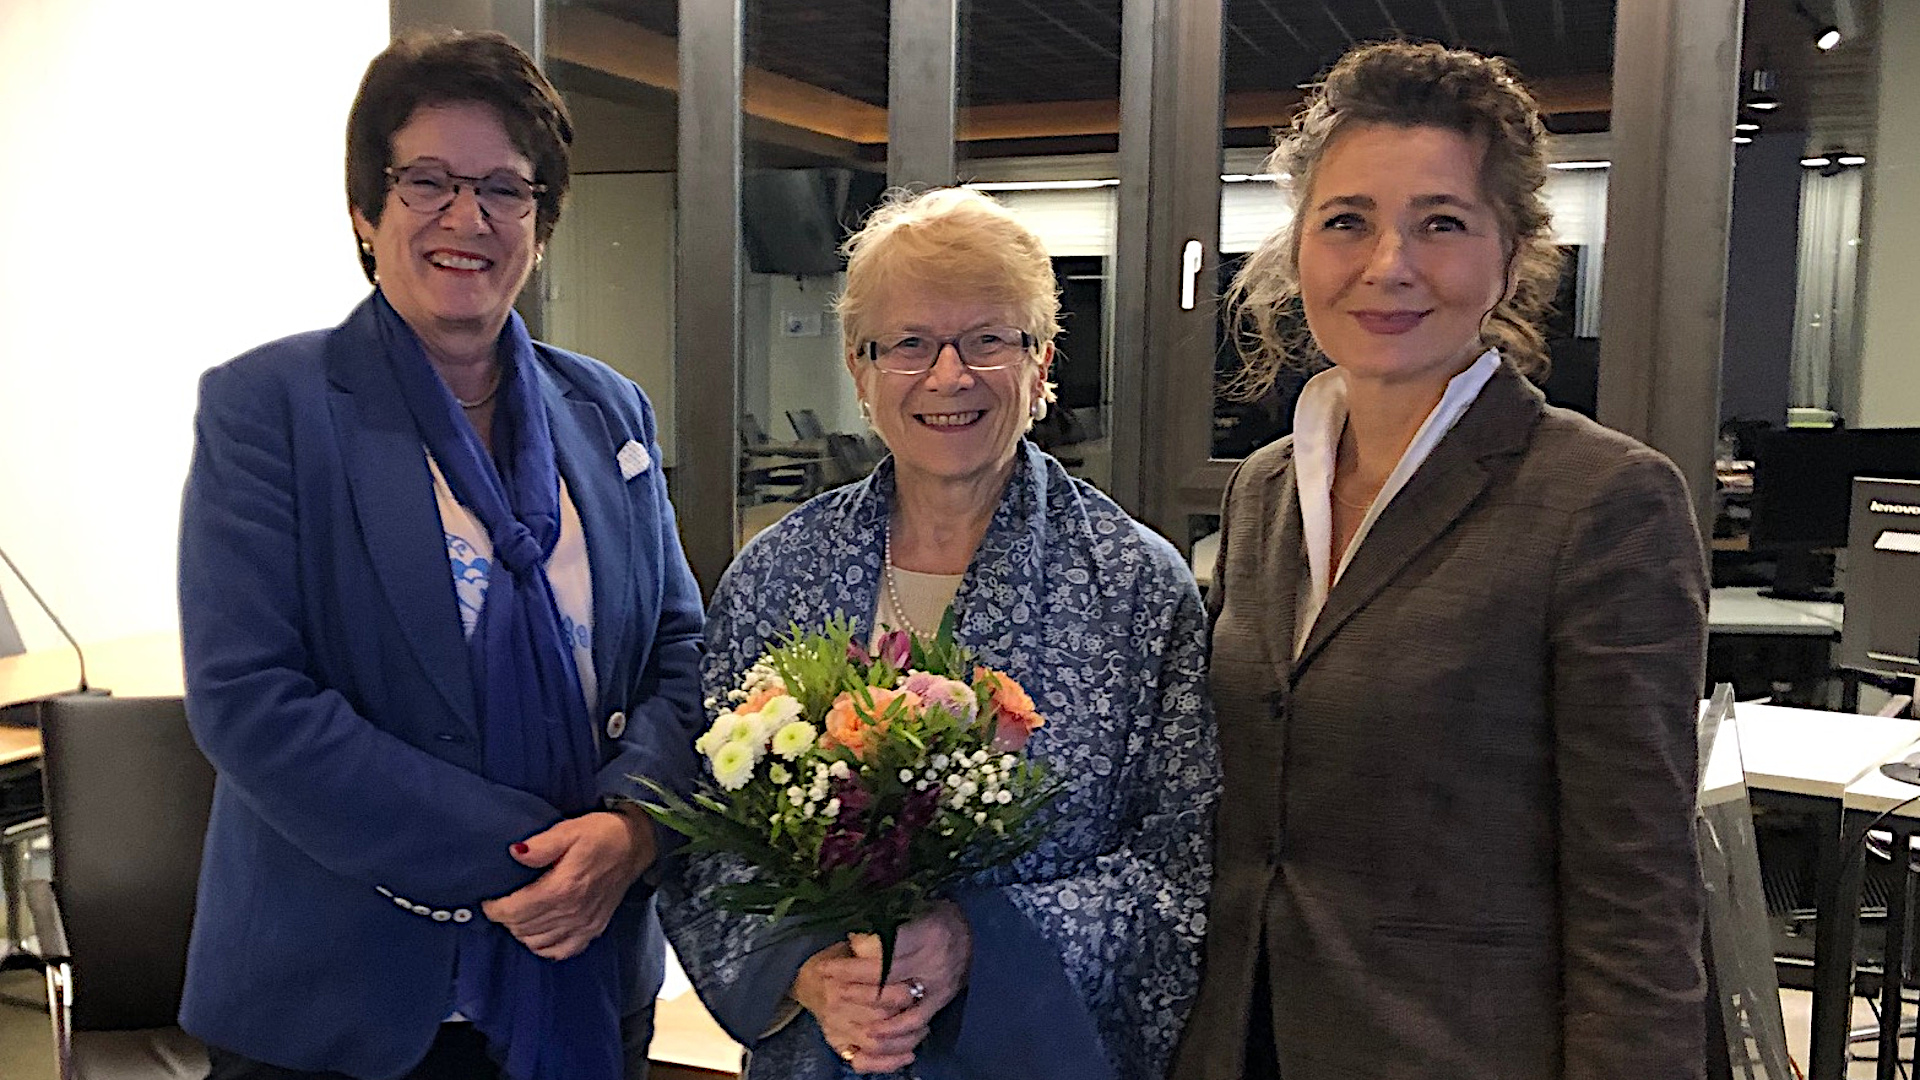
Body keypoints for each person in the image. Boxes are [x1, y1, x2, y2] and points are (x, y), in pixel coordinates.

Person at [1173, 41, 1708, 1080]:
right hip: (1245, 1044)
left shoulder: (1603, 502)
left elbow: (1636, 895)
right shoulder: (1266, 491)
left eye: (1442, 223)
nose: (1388, 265)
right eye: (1347, 222)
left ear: (1509, 257)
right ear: (1299, 248)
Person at [176, 30, 704, 1080]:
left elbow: (685, 654)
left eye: (506, 189)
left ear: (539, 226)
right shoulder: (268, 409)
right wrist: (541, 856)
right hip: (343, 1003)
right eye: (428, 181)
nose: (468, 218)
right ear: (366, 213)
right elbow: (251, 699)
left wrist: (633, 832)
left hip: (589, 973)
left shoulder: (609, 410)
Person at [661, 187, 1219, 1080]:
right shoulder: (778, 573)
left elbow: (1181, 874)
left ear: (1041, 364)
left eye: (989, 340)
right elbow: (705, 835)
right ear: (859, 367)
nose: (948, 376)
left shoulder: (1135, 586)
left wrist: (974, 943)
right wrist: (805, 973)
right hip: (826, 1054)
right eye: (909, 344)